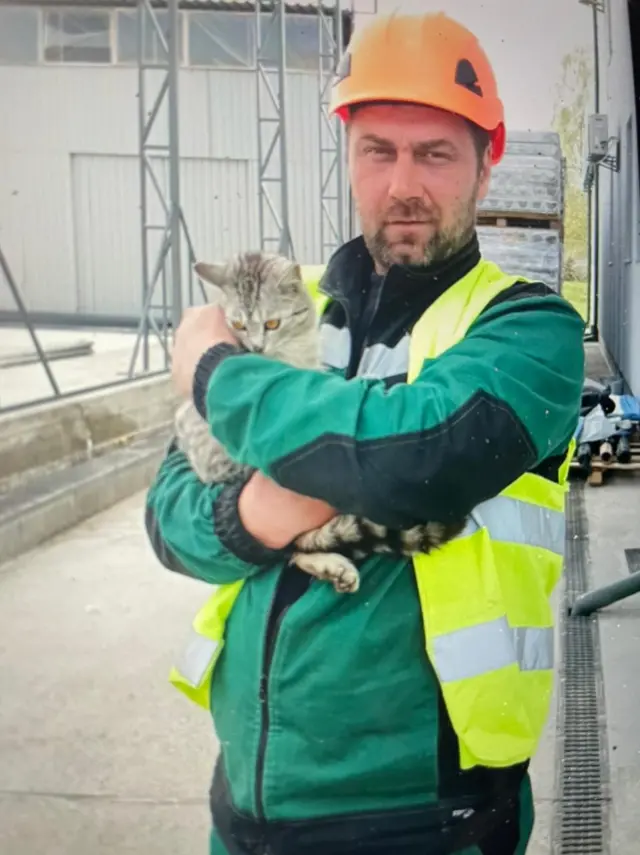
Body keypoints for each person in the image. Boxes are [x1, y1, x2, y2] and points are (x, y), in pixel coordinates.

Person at [145, 12, 585, 855]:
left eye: (436, 154)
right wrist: (255, 517)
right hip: (247, 806)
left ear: (487, 166)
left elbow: (414, 456)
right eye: (380, 150)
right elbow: (170, 514)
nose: (403, 184)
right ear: (348, 154)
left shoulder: (529, 332)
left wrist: (216, 374)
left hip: (423, 819)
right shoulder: (290, 309)